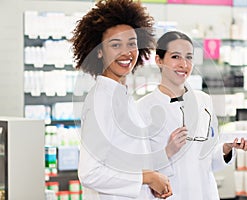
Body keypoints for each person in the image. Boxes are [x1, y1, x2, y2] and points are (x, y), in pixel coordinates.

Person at [70, 1, 187, 199]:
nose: (126, 52)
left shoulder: (121, 96)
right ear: (99, 50)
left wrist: (150, 184)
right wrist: (147, 178)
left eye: (132, 43)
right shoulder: (101, 101)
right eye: (115, 44)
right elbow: (90, 173)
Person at [137, 31, 247, 199]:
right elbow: (140, 169)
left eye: (189, 57)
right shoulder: (142, 109)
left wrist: (227, 148)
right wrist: (168, 151)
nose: (184, 64)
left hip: (204, 193)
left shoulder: (203, 101)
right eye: (175, 57)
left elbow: (210, 160)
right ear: (159, 60)